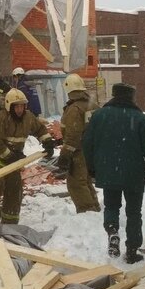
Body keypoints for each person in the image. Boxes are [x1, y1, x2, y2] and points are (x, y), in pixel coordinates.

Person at [83, 83, 145, 264]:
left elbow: (87, 144)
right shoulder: (140, 119)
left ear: (114, 95)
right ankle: (132, 251)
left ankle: (112, 231)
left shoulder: (99, 116)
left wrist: (92, 167)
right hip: (134, 174)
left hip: (108, 171)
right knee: (134, 212)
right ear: (131, 97)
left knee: (111, 206)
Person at [0, 88, 55, 223]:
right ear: (9, 106)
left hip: (14, 159)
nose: (20, 110)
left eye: (22, 106)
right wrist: (11, 156)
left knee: (14, 186)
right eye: (17, 107)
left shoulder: (28, 118)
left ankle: (10, 219)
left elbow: (40, 129)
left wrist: (47, 141)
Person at [56, 74, 100, 213]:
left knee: (76, 183)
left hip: (78, 151)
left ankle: (87, 211)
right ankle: (94, 207)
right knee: (85, 180)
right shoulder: (92, 105)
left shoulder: (74, 109)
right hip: (91, 149)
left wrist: (65, 155)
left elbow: (73, 135)